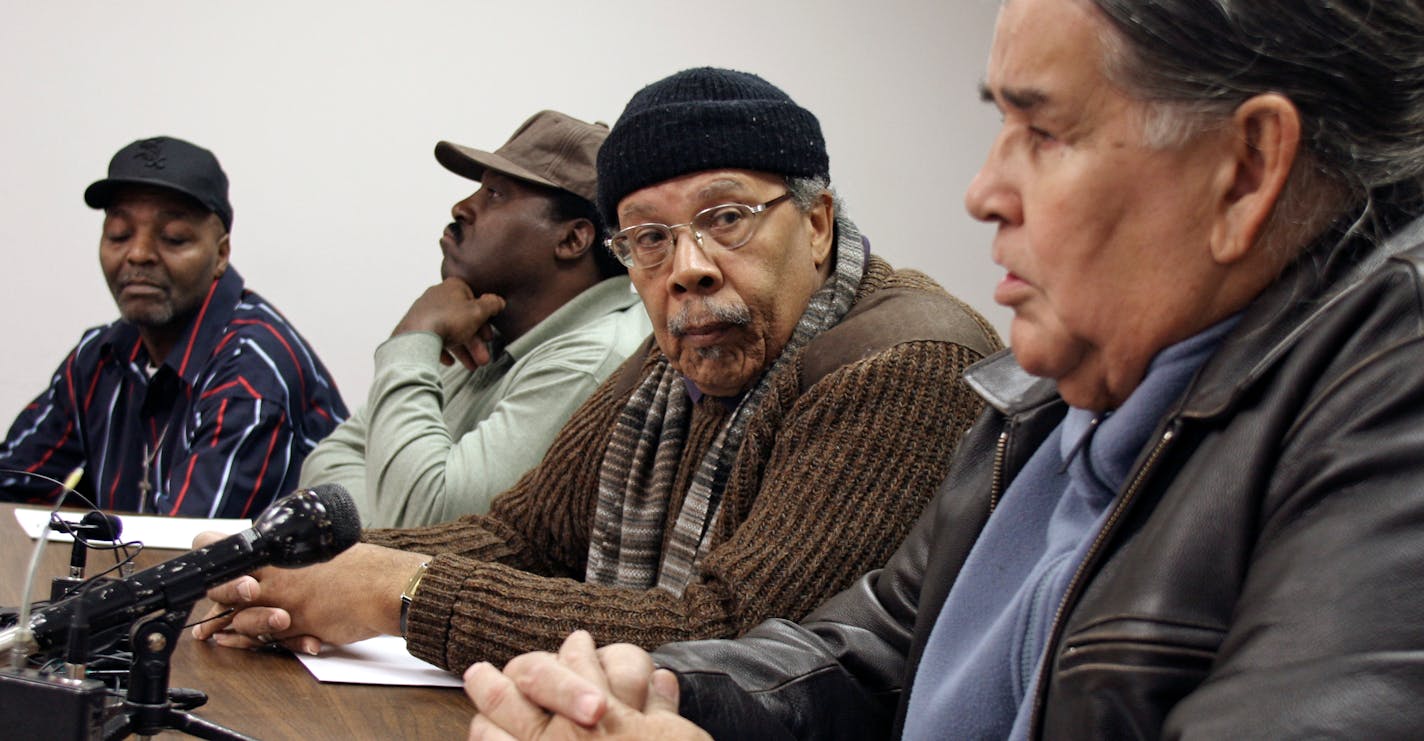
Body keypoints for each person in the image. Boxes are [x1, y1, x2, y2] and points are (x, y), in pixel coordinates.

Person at [463, 1, 1424, 738]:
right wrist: (664, 691)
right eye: (651, 239)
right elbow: (876, 645)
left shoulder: (1393, 391)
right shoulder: (1048, 398)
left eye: (1042, 133)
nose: (982, 192)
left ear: (1248, 168)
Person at [192, 67, 1002, 671]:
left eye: (726, 219)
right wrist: (297, 567)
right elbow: (524, 534)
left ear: (819, 223)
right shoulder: (678, 354)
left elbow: (731, 637)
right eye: (648, 237)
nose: (687, 266)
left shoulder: (909, 365)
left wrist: (398, 590)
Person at [297, 110, 650, 527]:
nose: (462, 207)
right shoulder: (495, 326)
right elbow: (325, 466)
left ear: (572, 239)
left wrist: (416, 335)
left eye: (496, 194)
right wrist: (387, 513)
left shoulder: (592, 360)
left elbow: (427, 529)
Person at [0, 136, 347, 518]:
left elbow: (185, 558)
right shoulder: (101, 357)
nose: (138, 253)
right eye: (119, 234)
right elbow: (12, 486)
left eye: (173, 238)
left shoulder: (251, 376)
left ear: (220, 254)